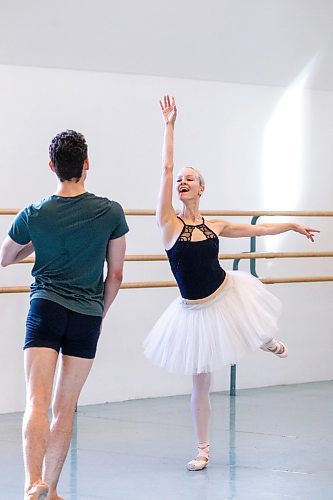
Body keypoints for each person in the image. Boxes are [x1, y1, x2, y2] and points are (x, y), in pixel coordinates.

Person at [144, 96, 319, 472]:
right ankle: (203, 449)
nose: (181, 182)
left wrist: (290, 225)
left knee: (247, 320)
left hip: (227, 292)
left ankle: (267, 339)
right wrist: (169, 126)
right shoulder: (168, 225)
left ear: (201, 188)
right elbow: (165, 167)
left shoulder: (216, 224)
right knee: (201, 383)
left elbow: (257, 228)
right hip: (193, 312)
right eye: (179, 180)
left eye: (189, 178)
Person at [0, 130, 129, 499]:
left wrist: (36, 244)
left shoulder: (35, 213)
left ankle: (32, 482)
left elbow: (5, 257)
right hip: (86, 315)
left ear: (52, 166)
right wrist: (98, 314)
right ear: (86, 164)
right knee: (64, 407)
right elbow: (116, 274)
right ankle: (53, 489)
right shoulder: (110, 211)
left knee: (36, 401)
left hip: (46, 309)